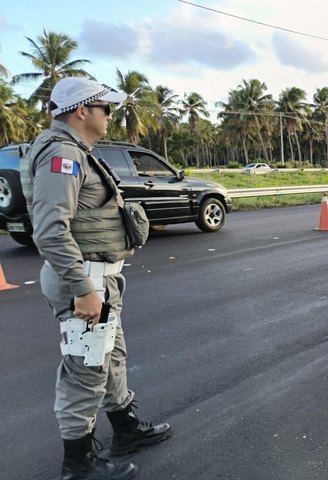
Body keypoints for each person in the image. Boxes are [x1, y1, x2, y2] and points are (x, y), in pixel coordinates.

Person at [20, 77, 172, 480]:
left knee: (111, 358)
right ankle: (78, 465)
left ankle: (125, 430)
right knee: (86, 370)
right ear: (81, 110)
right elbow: (50, 231)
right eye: (106, 108)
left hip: (99, 280)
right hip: (84, 282)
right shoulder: (62, 155)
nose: (110, 115)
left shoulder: (76, 151)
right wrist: (83, 290)